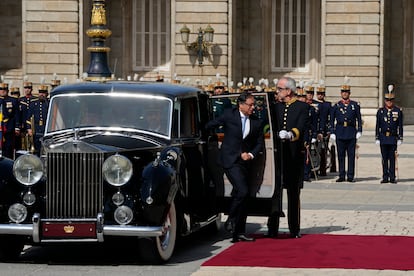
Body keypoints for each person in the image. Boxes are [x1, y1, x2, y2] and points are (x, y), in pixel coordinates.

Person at [206, 92, 264, 243]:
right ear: (241, 104)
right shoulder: (229, 115)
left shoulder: (257, 122)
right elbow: (210, 125)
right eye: (250, 105)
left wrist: (250, 155)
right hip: (230, 160)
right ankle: (231, 219)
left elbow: (259, 144)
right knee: (242, 190)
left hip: (245, 162)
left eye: (254, 104)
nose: (253, 107)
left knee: (243, 195)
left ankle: (239, 232)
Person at [267, 77, 310, 239]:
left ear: (288, 91)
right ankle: (272, 228)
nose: (277, 91)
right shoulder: (275, 107)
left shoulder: (302, 107)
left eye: (279, 89)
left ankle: (294, 228)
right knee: (275, 193)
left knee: (293, 194)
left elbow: (301, 126)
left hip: (293, 156)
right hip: (278, 156)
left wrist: (291, 134)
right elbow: (268, 125)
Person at [330, 78, 362, 182]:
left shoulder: (354, 105)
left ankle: (350, 175)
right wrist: (332, 132)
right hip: (340, 131)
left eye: (346, 92)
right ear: (341, 93)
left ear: (349, 93)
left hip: (351, 131)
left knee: (351, 155)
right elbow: (331, 120)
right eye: (343, 92)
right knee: (341, 155)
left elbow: (359, 118)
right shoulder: (336, 106)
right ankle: (342, 175)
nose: (344, 94)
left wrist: (359, 131)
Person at [375, 84, 403, 184]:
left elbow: (400, 125)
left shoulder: (397, 111)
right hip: (383, 137)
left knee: (392, 158)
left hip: (392, 138)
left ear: (393, 101)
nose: (389, 102)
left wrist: (400, 137)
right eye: (387, 100)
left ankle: (392, 177)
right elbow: (377, 125)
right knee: (384, 158)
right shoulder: (380, 111)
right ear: (385, 101)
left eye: (390, 100)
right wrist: (377, 137)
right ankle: (385, 176)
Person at [314, 82, 332, 176]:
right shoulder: (314, 104)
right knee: (315, 151)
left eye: (322, 94)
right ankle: (315, 169)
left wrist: (329, 130)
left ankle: (323, 169)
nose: (320, 95)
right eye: (319, 94)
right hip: (316, 131)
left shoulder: (327, 105)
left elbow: (330, 118)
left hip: (324, 130)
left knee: (323, 150)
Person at [27, 85, 49, 155]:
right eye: (40, 92)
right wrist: (29, 128)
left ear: (46, 94)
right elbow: (28, 117)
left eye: (43, 92)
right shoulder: (33, 103)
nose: (41, 94)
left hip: (45, 128)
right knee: (36, 148)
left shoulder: (48, 103)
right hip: (36, 128)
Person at [0, 82, 20, 159]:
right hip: (0, 127)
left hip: (9, 127)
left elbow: (16, 114)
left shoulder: (13, 100)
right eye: (1, 89)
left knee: (8, 148)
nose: (2, 91)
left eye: (4, 89)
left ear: (7, 90)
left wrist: (17, 127)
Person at [19, 81, 37, 151]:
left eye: (29, 88)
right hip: (23, 125)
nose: (27, 90)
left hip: (32, 125)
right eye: (25, 88)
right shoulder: (20, 100)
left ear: (31, 89)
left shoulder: (35, 99)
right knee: (23, 144)